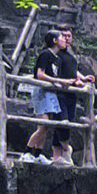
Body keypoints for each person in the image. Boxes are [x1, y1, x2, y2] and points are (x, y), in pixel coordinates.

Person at [23, 30, 68, 164]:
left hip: (50, 93)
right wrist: (58, 81)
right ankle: (27, 152)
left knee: (46, 127)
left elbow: (55, 77)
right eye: (61, 37)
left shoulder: (57, 58)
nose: (65, 40)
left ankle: (37, 155)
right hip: (41, 92)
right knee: (43, 126)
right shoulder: (45, 54)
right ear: (55, 41)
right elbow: (40, 74)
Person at [55, 26, 95, 166]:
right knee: (62, 122)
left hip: (71, 94)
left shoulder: (70, 54)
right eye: (63, 35)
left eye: (69, 35)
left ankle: (58, 158)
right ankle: (67, 150)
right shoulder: (55, 54)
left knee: (67, 123)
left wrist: (83, 79)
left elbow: (73, 71)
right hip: (59, 92)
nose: (66, 38)